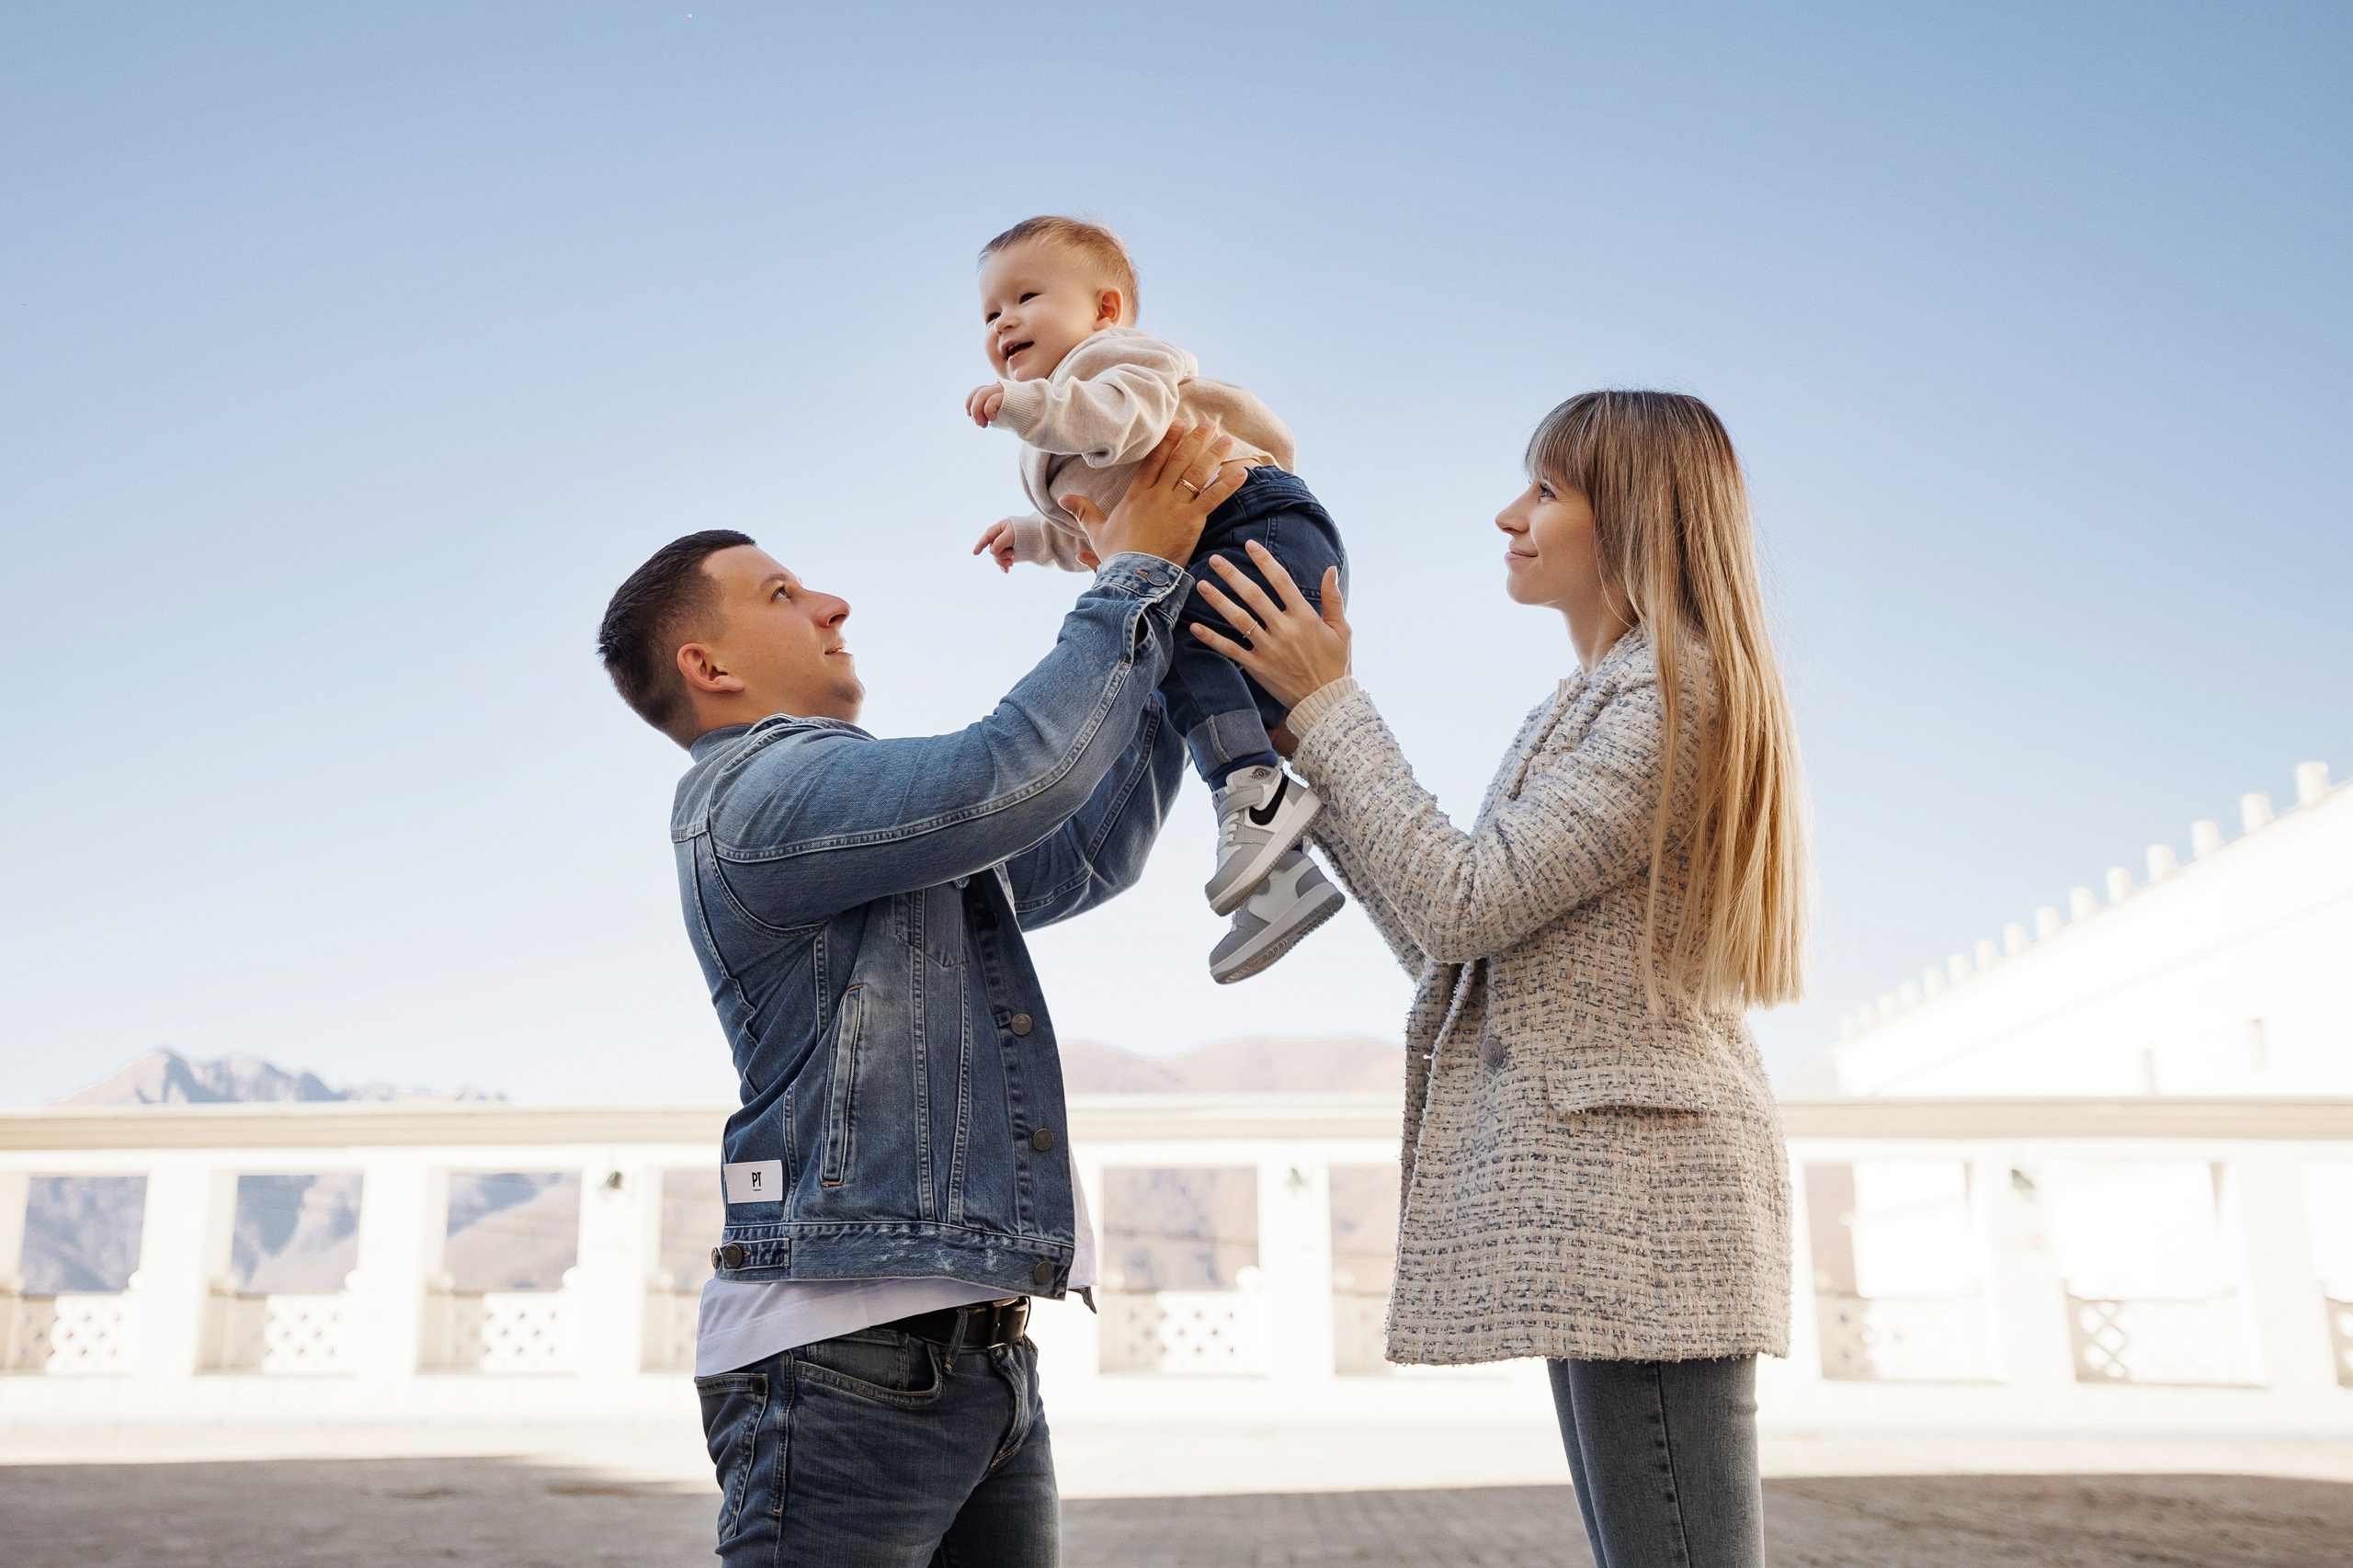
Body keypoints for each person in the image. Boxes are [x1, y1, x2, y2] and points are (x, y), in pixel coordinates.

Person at [596, 424, 1246, 1566]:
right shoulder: (761, 793)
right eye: (785, 593)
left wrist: (1164, 626)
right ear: (708, 667)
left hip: (983, 1359)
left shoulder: (859, 820)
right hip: (842, 1362)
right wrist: (1128, 576)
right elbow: (1009, 772)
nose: (835, 603)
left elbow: (1077, 848)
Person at [1194, 390, 1808, 1568]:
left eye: (1545, 489)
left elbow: (1466, 897)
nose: (1507, 514)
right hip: (1609, 1194)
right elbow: (1459, 947)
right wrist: (1302, 782)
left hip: (1647, 1194)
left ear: (1630, 514)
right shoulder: (1593, 697)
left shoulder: (1678, 691)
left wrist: (1329, 708)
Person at [964, 214, 1349, 984]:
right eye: (988, 313)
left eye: (1026, 296)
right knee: (1177, 664)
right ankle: (1279, 884)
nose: (1004, 320)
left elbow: (1120, 421)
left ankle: (1259, 807)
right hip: (1198, 539)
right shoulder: (1058, 426)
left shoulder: (1119, 363)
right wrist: (1029, 536)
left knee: (1163, 633)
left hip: (1255, 517)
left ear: (1104, 311)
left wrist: (1027, 406)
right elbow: (1097, 538)